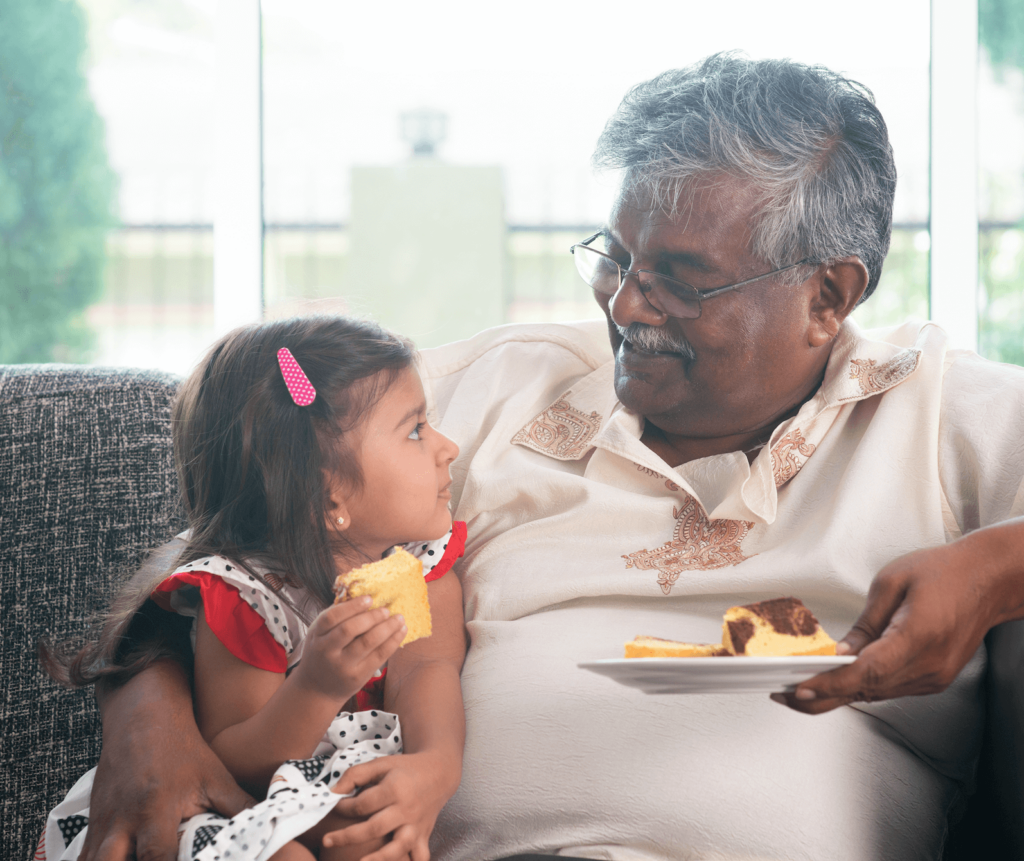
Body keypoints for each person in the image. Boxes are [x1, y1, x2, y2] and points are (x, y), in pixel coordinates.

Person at [77, 53, 1024, 860]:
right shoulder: (494, 391)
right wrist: (145, 713)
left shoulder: (945, 413)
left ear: (829, 294)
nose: (628, 305)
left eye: (681, 279)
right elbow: (250, 522)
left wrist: (995, 566)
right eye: (615, 256)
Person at [39, 317, 467, 861]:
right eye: (416, 429)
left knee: (368, 831)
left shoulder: (422, 565)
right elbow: (236, 761)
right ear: (327, 491)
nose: (448, 447)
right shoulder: (247, 596)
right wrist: (317, 685)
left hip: (330, 790)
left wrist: (434, 766)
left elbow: (428, 670)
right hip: (231, 804)